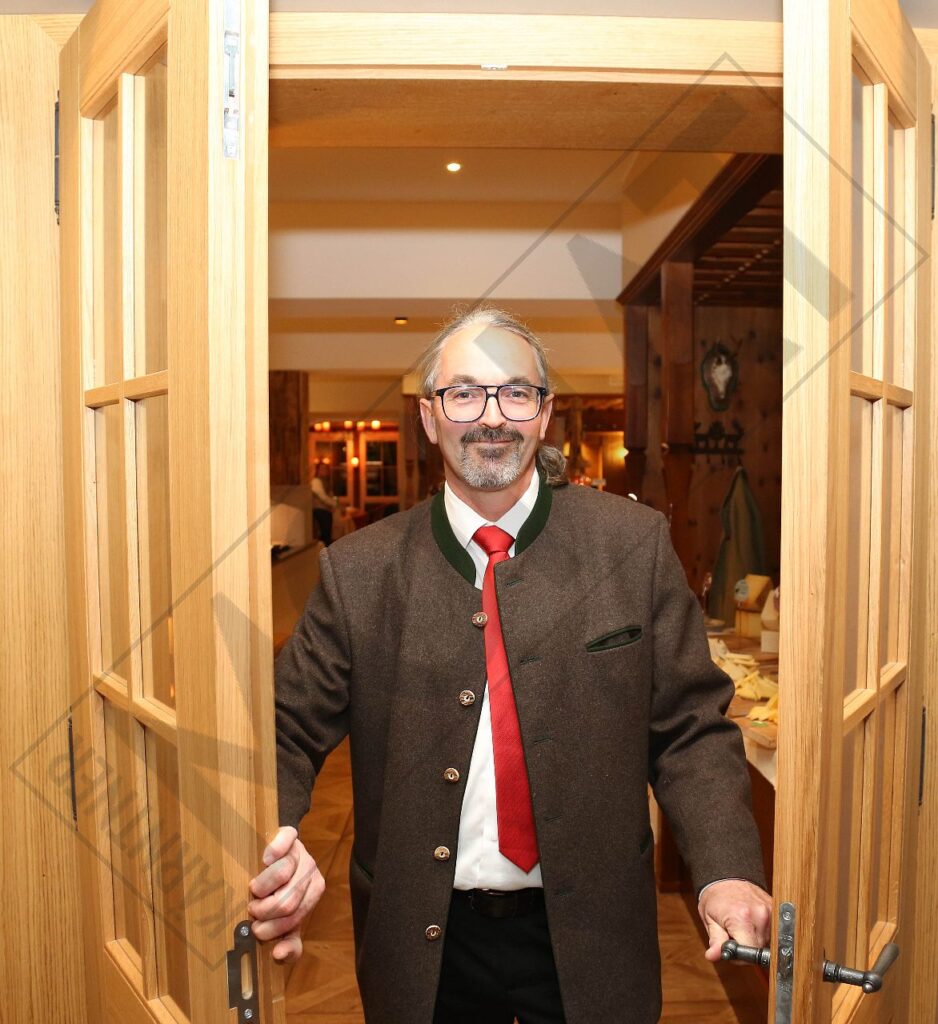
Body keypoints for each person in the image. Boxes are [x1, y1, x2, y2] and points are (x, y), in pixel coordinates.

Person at [250, 307, 772, 1024]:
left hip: (594, 934)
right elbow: (282, 730)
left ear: (544, 414)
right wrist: (274, 843)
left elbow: (690, 728)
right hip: (424, 945)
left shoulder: (633, 545)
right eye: (464, 393)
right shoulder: (360, 572)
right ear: (430, 417)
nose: (492, 415)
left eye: (516, 393)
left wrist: (726, 870)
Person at [310, 460, 339, 546]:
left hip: (326, 511)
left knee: (327, 535)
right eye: (322, 469)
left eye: (326, 469)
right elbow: (322, 497)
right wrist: (334, 504)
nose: (324, 471)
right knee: (325, 536)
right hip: (320, 511)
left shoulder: (325, 482)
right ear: (317, 470)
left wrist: (334, 503)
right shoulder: (316, 481)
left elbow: (330, 496)